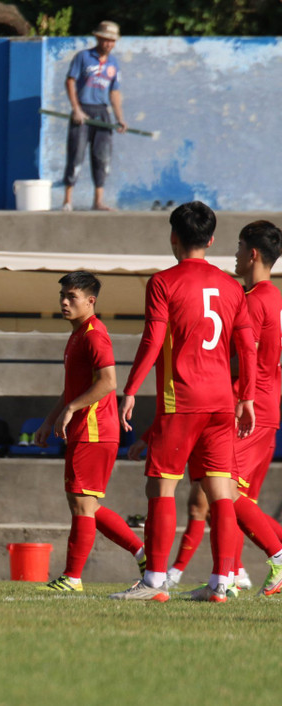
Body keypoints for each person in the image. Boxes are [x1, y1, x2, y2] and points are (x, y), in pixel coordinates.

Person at [111, 201, 256, 603]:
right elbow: (247, 345)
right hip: (222, 402)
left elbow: (153, 341)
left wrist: (130, 389)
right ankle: (219, 584)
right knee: (221, 492)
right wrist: (246, 396)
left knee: (161, 487)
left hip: (182, 400)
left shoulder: (164, 282)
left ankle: (155, 583)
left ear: (174, 236)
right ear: (211, 240)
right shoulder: (232, 287)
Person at [33, 273, 145, 592]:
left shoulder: (95, 334)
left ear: (90, 301)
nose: (64, 302)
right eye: (62, 296)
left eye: (72, 296)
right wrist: (49, 419)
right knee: (87, 505)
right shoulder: (77, 334)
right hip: (86, 429)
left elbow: (109, 381)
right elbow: (71, 389)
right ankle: (142, 553)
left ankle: (73, 578)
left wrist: (71, 410)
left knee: (83, 504)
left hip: (95, 429)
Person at [61, 20, 126, 212]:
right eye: (106, 40)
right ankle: (67, 201)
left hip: (102, 113)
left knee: (102, 158)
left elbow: (114, 92)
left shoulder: (114, 63)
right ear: (98, 38)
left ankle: (98, 201)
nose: (109, 44)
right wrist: (76, 109)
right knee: (76, 156)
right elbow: (70, 81)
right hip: (83, 111)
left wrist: (119, 117)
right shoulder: (83, 57)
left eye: (112, 41)